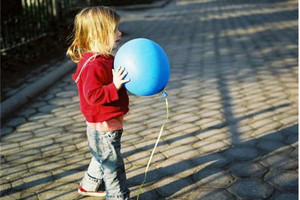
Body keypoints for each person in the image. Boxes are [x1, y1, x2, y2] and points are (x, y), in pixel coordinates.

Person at [66, 6, 130, 200]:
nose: (119, 33)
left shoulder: (102, 58)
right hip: (105, 126)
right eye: (114, 30)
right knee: (113, 167)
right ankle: (118, 197)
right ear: (98, 35)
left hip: (102, 124)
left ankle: (89, 185)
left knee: (101, 155)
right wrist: (115, 85)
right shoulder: (95, 64)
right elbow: (93, 95)